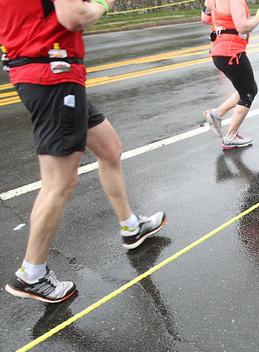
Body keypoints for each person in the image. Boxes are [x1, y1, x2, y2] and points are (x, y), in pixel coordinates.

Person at [0, 0, 166, 303]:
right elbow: (74, 15)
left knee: (110, 149)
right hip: (53, 75)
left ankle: (131, 226)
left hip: (46, 71)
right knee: (59, 183)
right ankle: (31, 274)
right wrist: (102, 4)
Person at [201, 0, 259, 149]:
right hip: (232, 52)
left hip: (219, 52)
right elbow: (242, 27)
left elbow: (205, 18)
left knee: (248, 89)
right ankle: (230, 137)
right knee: (248, 94)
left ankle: (216, 114)